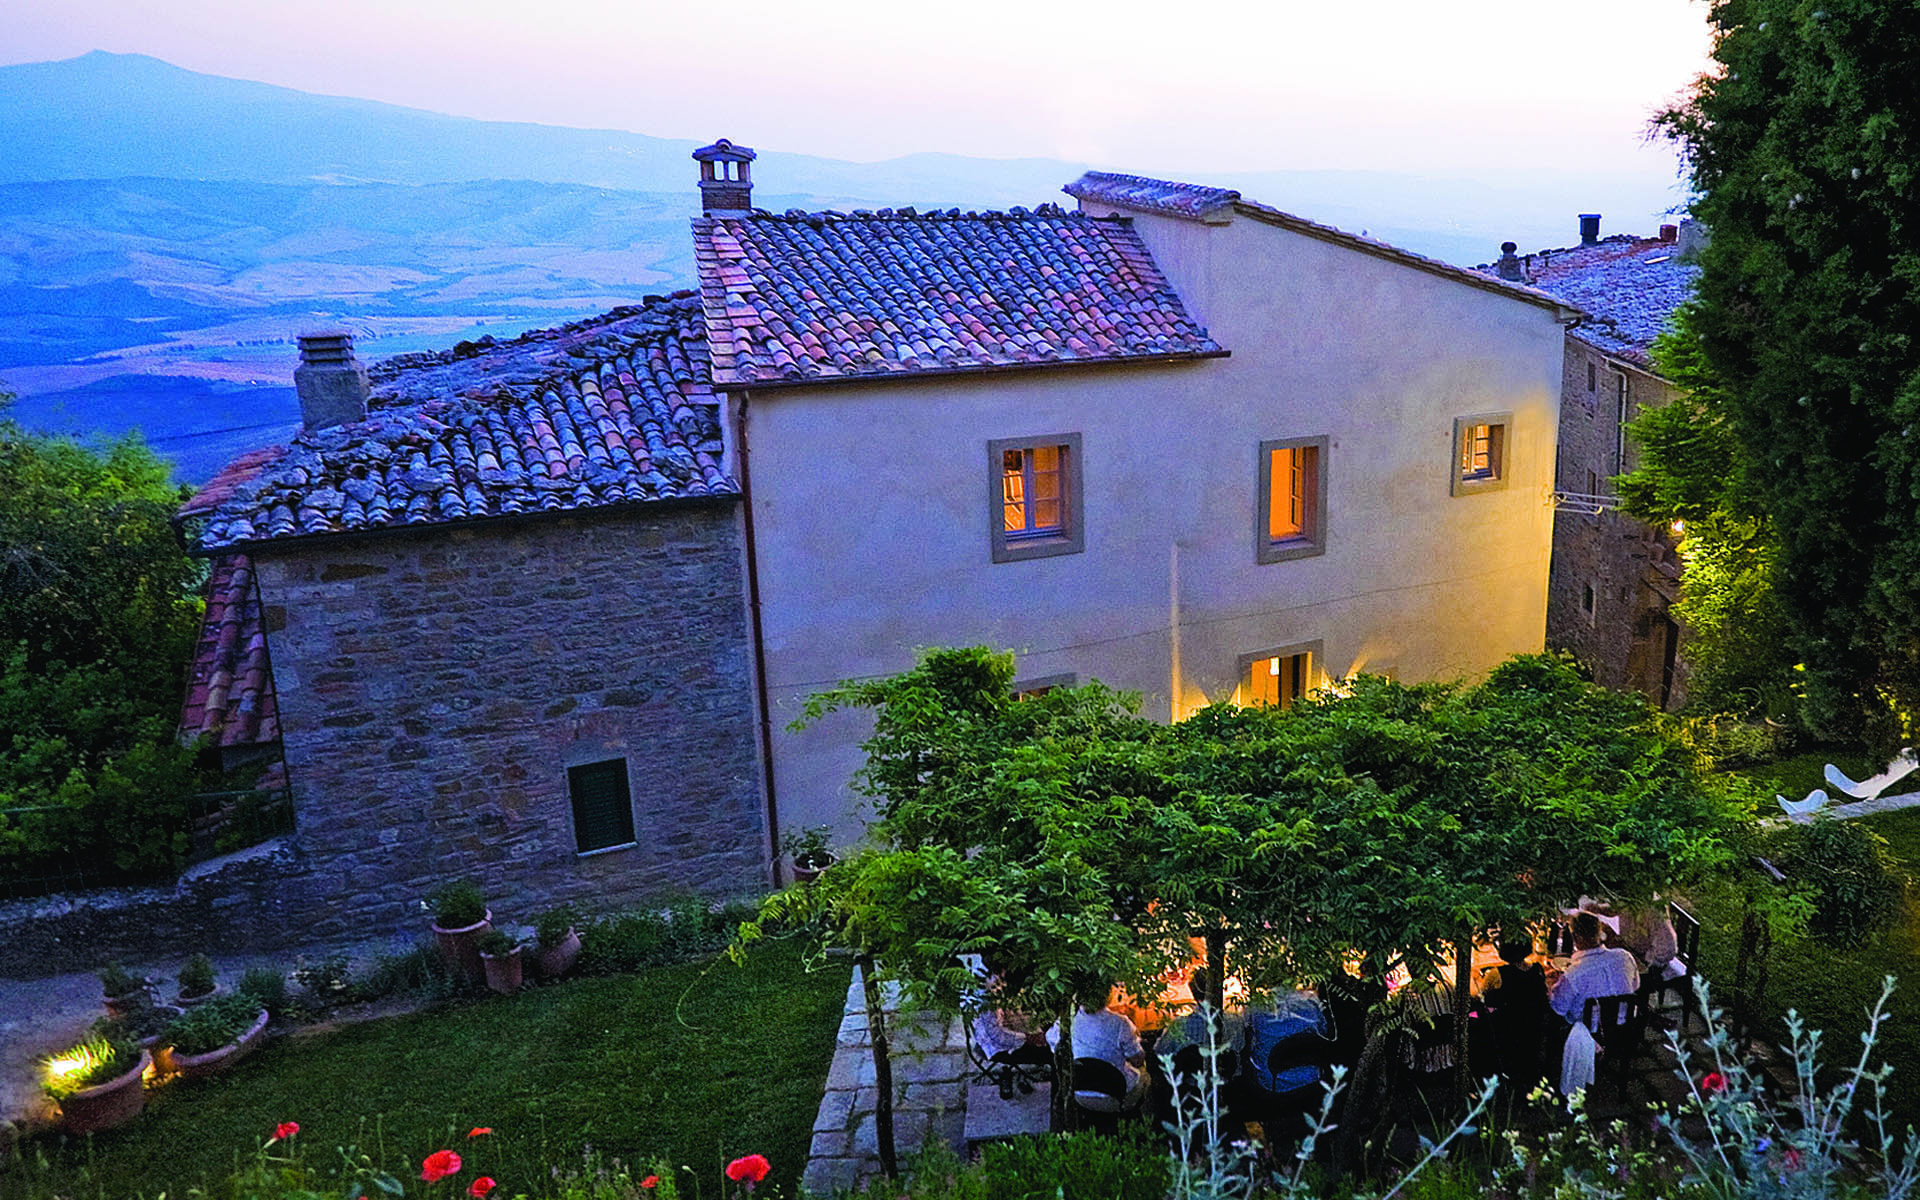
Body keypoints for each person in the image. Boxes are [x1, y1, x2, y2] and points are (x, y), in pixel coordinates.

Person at [1047, 981, 1149, 1110]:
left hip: (1079, 1093)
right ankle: (1143, 1120)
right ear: (1108, 995)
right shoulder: (1120, 1023)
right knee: (1146, 1074)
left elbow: (1054, 1045)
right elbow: (1138, 1060)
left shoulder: (1065, 1021)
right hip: (1116, 1094)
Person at [1476, 935, 1549, 1083]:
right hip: (1532, 1026)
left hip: (1505, 1026)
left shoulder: (1496, 974)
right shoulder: (1538, 969)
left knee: (1474, 1016)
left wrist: (1477, 978)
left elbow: (1482, 994)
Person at [1549, 912, 1641, 1029]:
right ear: (1599, 933)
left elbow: (1559, 1008)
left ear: (1575, 937)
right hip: (1624, 1027)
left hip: (1588, 1036)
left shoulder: (1573, 974)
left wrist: (1552, 987)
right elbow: (1635, 986)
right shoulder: (1624, 957)